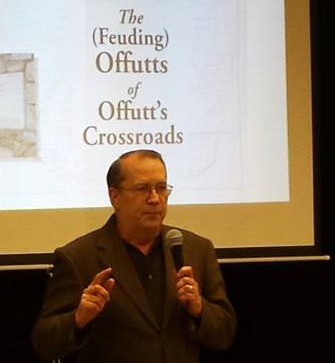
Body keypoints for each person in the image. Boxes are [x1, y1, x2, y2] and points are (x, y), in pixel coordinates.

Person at [31, 150, 236, 363]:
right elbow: (45, 344)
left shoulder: (197, 249)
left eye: (161, 188)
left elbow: (225, 334)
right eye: (142, 189)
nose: (155, 199)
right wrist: (78, 319)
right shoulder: (78, 257)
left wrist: (199, 308)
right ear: (115, 197)